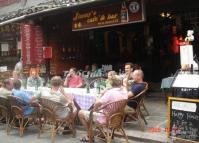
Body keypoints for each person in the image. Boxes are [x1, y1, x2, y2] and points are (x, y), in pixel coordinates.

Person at [78, 76, 128, 142]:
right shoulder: (124, 90)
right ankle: (102, 133)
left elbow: (97, 103)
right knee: (94, 113)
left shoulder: (110, 93)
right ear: (120, 83)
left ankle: (89, 136)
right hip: (118, 117)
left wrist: (95, 108)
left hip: (106, 118)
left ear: (111, 83)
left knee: (80, 113)